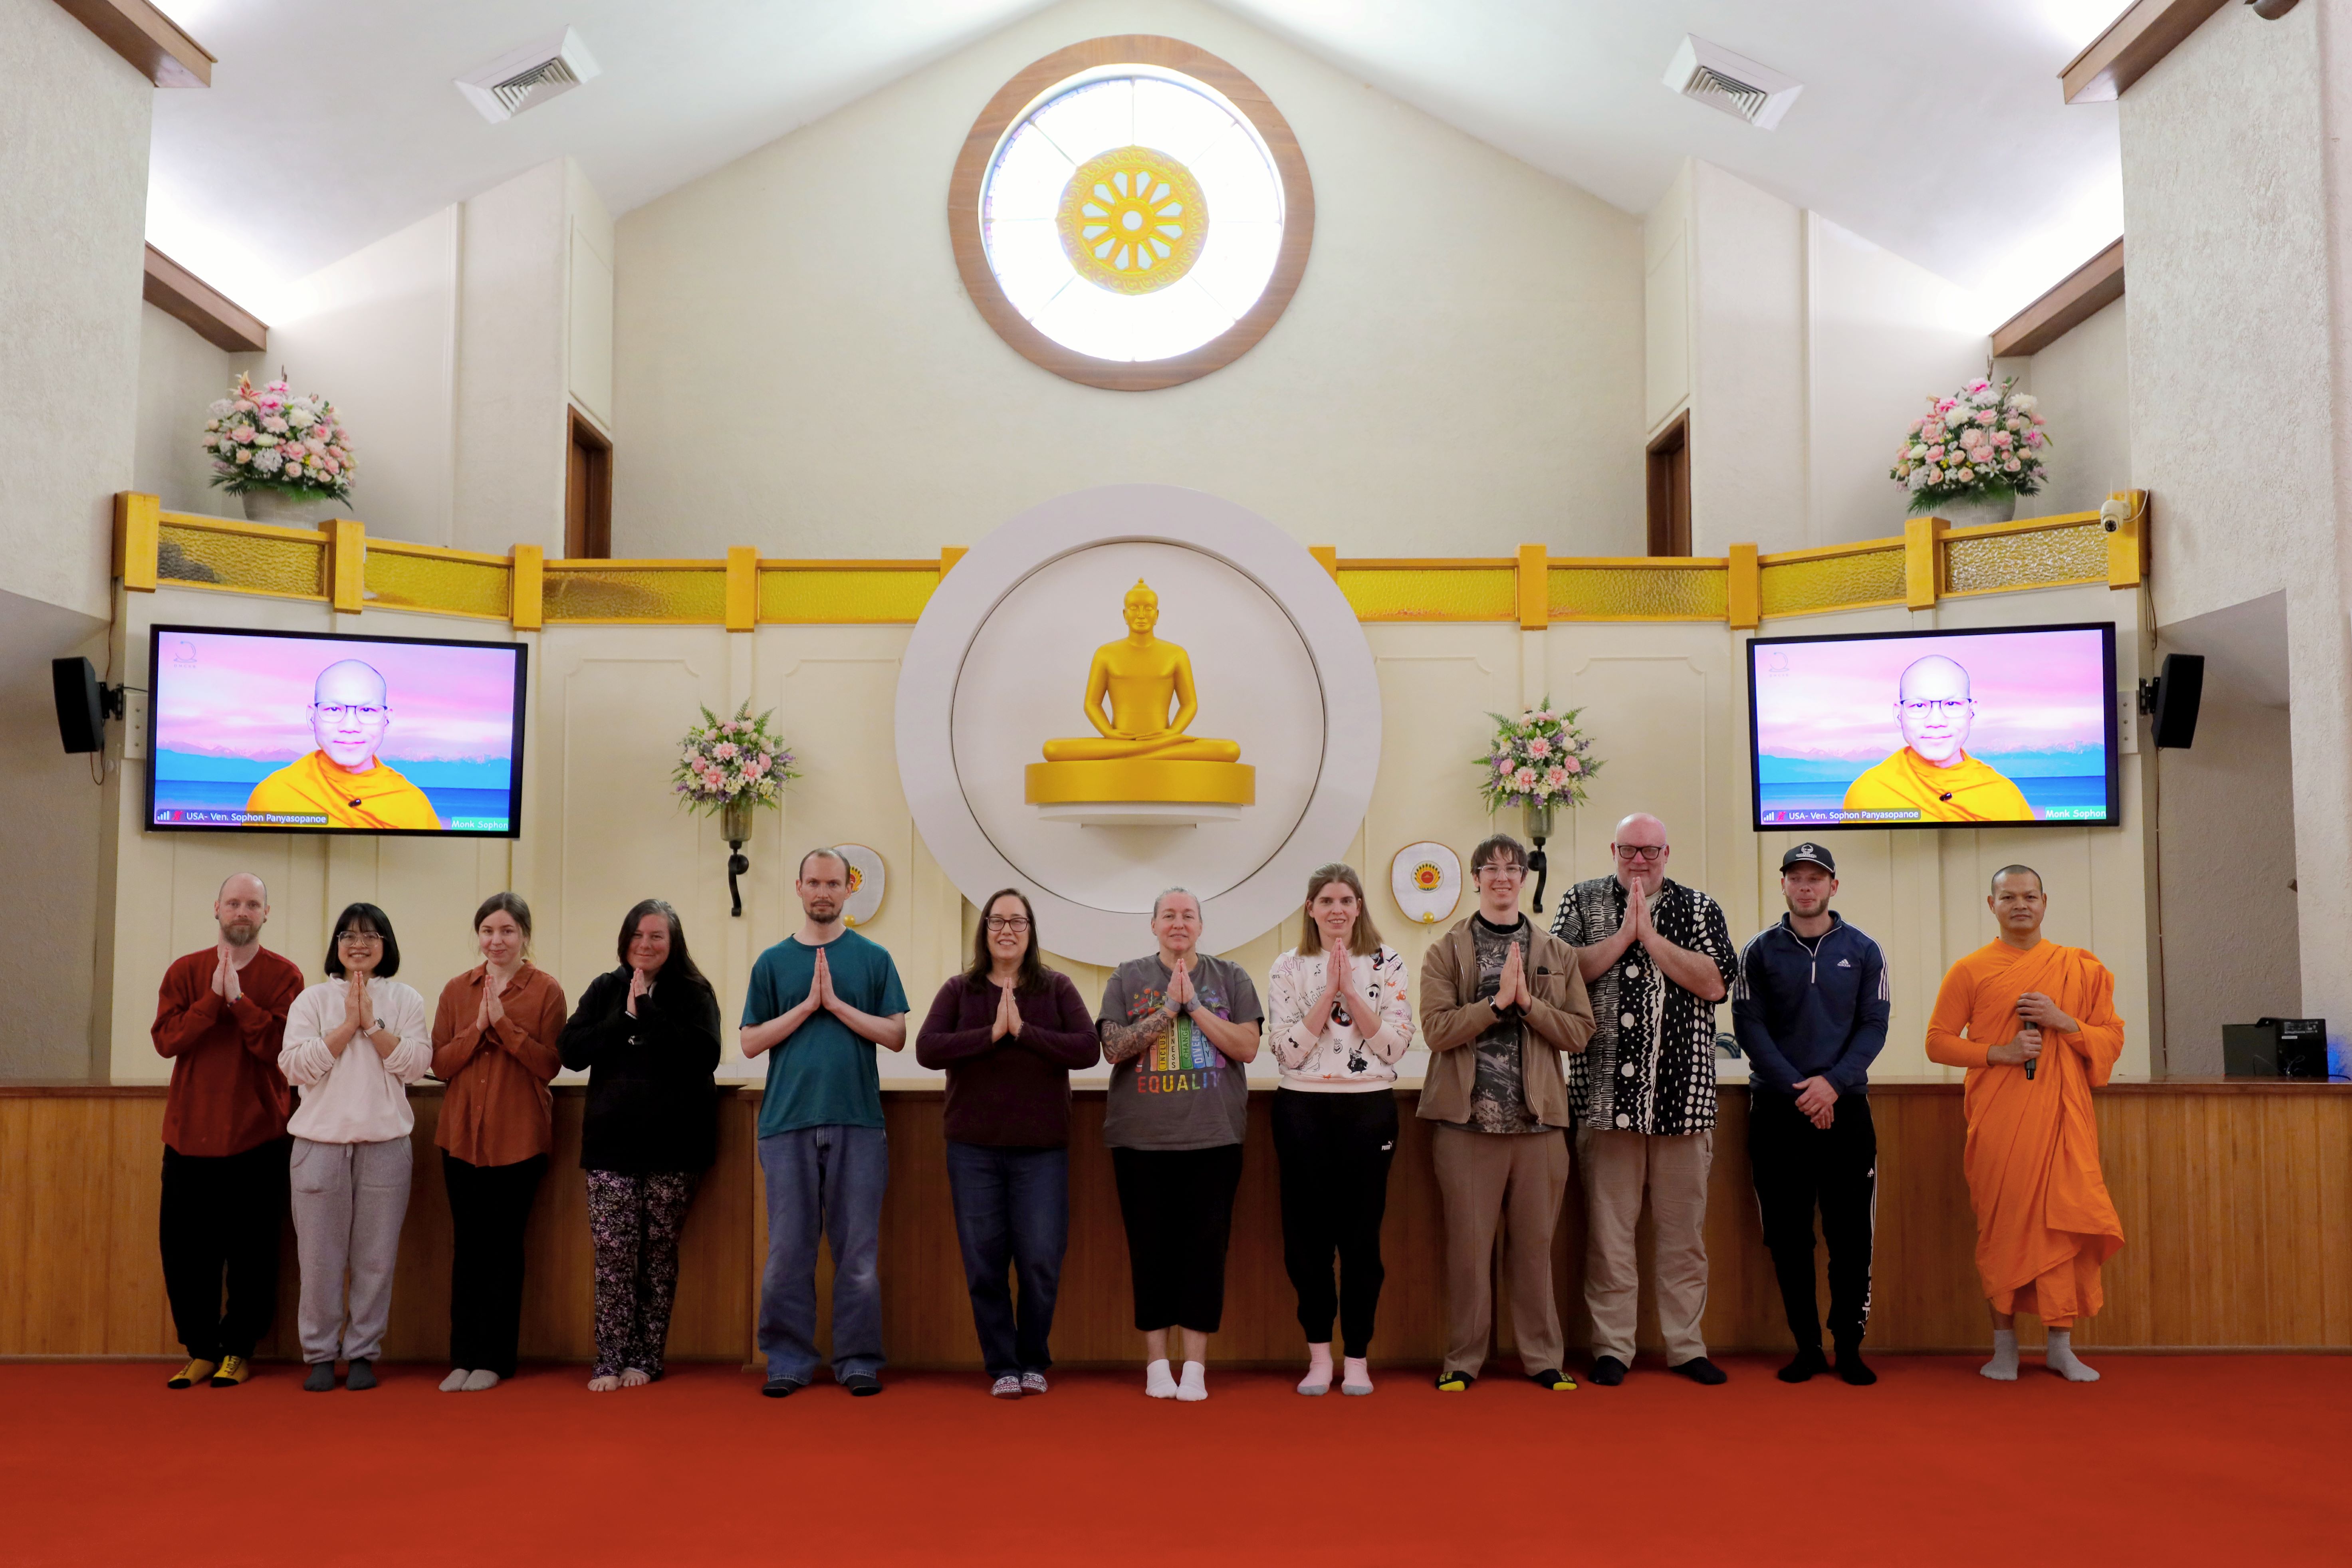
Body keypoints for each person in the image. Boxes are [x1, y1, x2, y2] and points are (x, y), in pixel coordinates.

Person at [1554, 812, 1739, 1386]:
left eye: (1650, 850)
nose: (1639, 860)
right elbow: (1559, 975)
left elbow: (1715, 982)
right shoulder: (1580, 901)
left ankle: (1686, 1347)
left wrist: (1652, 939)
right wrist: (1622, 938)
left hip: (1683, 1100)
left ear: (1666, 852)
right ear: (1613, 850)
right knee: (1609, 1237)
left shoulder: (1700, 907)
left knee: (1684, 1238)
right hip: (1603, 1100)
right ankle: (1612, 1348)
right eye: (1629, 849)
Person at [1926, 865, 2126, 1383]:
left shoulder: (2079, 968)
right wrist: (2001, 1052)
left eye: (2030, 896)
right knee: (2004, 1229)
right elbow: (1937, 1041)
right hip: (2000, 1121)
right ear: (1991, 904)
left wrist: (2065, 1022)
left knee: (2065, 1222)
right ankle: (2004, 1348)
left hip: (2064, 1121)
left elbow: (2110, 1038)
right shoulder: (1970, 970)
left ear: (2044, 902)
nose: (2020, 904)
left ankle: (2060, 1347)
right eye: (2009, 896)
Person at [1418, 834, 1594, 1394]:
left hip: (1539, 1127)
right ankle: (1463, 1359)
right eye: (1490, 869)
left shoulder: (1555, 952)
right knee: (1469, 1254)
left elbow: (1579, 1032)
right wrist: (1495, 1005)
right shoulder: (1445, 950)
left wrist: (1529, 1005)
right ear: (1475, 878)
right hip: (1466, 1125)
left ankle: (1542, 1358)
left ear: (1523, 877)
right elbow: (1436, 1030)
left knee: (1535, 1252)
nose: (1501, 877)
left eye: (1512, 868)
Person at [914, 889, 1099, 1398]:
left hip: (1041, 1152)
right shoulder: (960, 989)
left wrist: (1024, 1031)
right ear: (984, 931)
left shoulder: (1056, 988)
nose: (1006, 930)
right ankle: (1002, 1366)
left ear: (1031, 931)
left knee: (1040, 1260)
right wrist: (992, 1034)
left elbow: (1088, 1049)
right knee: (984, 1263)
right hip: (972, 1151)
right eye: (997, 921)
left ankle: (1033, 1360)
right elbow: (927, 1049)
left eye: (1018, 922)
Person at [742, 849, 910, 1398]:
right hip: (785, 1123)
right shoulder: (772, 962)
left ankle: (857, 1359)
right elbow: (749, 1042)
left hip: (857, 1121)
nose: (823, 891)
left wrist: (836, 1004)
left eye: (833, 883)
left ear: (847, 889)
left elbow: (895, 1035)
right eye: (813, 882)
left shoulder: (873, 958)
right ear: (798, 887)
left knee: (857, 1256)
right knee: (788, 1254)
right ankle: (787, 1360)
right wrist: (805, 1007)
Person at [1732, 843, 1890, 1386]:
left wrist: (1831, 1085)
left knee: (1851, 1237)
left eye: (1815, 878)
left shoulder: (1863, 949)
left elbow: (1874, 1025)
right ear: (1783, 885)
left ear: (1832, 886)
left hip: (1846, 1110)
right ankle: (1806, 1348)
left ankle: (1848, 1346)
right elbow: (1749, 1026)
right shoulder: (1758, 951)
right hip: (1778, 1111)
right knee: (1788, 1237)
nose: (1805, 887)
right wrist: (1801, 1091)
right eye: (1796, 878)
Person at [1099, 888, 1264, 1402]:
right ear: (1153, 926)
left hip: (1214, 1138)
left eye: (1187, 915)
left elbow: (1248, 1047)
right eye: (1168, 915)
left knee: (1205, 1253)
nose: (1178, 923)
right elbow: (1113, 1048)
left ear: (1200, 926)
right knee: (1150, 1251)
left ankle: (1194, 1367)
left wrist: (1194, 1005)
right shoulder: (1127, 976)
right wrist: (1168, 1009)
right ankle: (1156, 1365)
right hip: (1140, 1141)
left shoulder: (1231, 977)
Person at [151, 872, 305, 1389]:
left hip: (257, 1138)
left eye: (252, 904)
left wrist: (239, 1001)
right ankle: (201, 1350)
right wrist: (213, 999)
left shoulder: (285, 975)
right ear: (216, 908)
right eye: (234, 903)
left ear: (266, 914)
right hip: (188, 1137)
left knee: (253, 1256)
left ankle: (237, 1350)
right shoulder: (185, 971)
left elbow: (280, 1050)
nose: (242, 911)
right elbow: (167, 1041)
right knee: (185, 1254)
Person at [558, 900, 720, 1392]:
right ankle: (609, 1358)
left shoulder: (694, 992)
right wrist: (625, 1017)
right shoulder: (605, 988)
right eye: (637, 935)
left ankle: (647, 1358)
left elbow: (704, 1056)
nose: (645, 945)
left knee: (657, 1255)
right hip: (611, 1146)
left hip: (675, 1147)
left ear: (673, 944)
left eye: (656, 937)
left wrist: (648, 1011)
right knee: (613, 1256)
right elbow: (571, 1052)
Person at [1267, 863, 1413, 1396]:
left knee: (1359, 1242)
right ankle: (1318, 1357)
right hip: (1302, 1110)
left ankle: (1356, 1359)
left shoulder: (1387, 961)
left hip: (1367, 1109)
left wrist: (1351, 992)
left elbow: (1394, 1046)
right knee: (1306, 1243)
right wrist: (1326, 992)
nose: (1336, 909)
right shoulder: (1287, 966)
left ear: (1358, 908)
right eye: (1326, 900)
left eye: (1345, 900)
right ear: (1310, 909)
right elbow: (1286, 1051)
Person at [280, 902, 433, 1391]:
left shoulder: (406, 998)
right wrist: (346, 1026)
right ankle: (321, 1355)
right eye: (348, 935)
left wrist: (371, 1025)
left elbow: (415, 1065)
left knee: (375, 1260)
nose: (358, 944)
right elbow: (294, 1067)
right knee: (319, 1261)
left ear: (386, 944)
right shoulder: (311, 1000)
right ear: (337, 945)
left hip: (385, 1146)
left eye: (370, 935)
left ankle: (364, 1352)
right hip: (319, 1146)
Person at [429, 892, 566, 1393]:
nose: (497, 940)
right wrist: (477, 1028)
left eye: (507, 931)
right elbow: (440, 1064)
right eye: (488, 931)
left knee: (503, 1250)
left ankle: (494, 1359)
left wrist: (504, 1027)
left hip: (519, 1138)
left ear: (524, 936)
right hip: (460, 1137)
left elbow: (550, 1065)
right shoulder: (456, 989)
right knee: (467, 1248)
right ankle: (463, 1356)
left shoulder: (546, 990)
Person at [244, 658, 442, 829]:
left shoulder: (413, 805)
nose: (350, 726)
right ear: (312, 718)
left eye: (367, 711)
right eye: (333, 709)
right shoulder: (274, 795)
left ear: (387, 721)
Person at [1840, 654, 2032, 823]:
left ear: (1972, 713)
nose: (1936, 721)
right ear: (1899, 715)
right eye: (1918, 706)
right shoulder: (1868, 793)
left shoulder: (2003, 795)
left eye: (1952, 704)